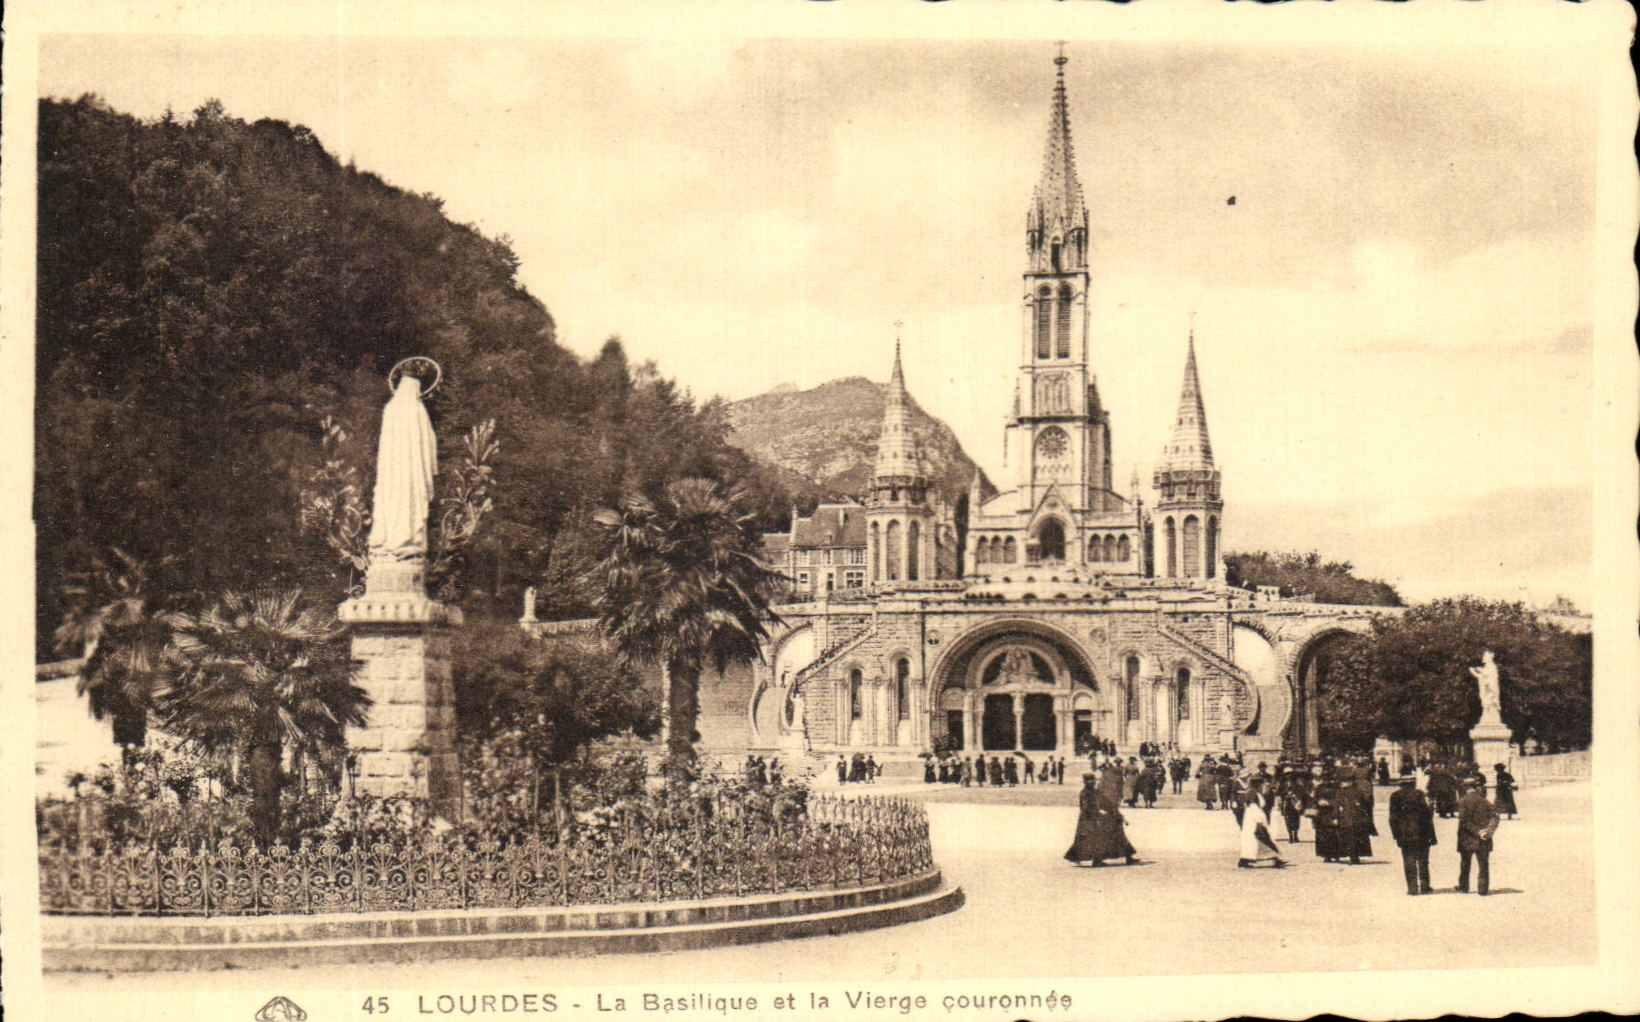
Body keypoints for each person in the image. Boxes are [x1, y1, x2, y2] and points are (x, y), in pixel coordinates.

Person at [1065, 773, 1139, 867]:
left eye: (1093, 780)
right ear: (1085, 782)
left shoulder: (1096, 792)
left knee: (1116, 830)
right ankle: (1095, 860)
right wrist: (1097, 813)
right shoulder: (1084, 793)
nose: (1092, 782)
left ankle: (1128, 857)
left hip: (1098, 818)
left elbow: (1107, 803)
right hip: (1088, 820)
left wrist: (1116, 813)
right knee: (1088, 840)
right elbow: (1085, 808)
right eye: (1089, 780)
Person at [1388, 774, 1437, 895]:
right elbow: (1426, 815)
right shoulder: (1419, 794)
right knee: (1423, 860)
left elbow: (1392, 818)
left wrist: (1396, 834)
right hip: (1421, 832)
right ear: (1413, 783)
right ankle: (1425, 886)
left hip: (1404, 833)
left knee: (1408, 859)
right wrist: (1432, 835)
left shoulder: (1395, 796)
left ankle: (1412, 888)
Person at [1455, 781, 1500, 895]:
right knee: (1483, 863)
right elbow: (1495, 816)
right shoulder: (1485, 801)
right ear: (1476, 787)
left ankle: (1464, 886)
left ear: (1465, 787)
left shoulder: (1463, 801)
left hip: (1467, 838)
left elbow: (1464, 821)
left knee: (1465, 863)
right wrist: (1489, 831)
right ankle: (1483, 889)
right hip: (1483, 839)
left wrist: (1477, 831)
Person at [1237, 782, 1288, 868]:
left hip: (1252, 825)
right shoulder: (1253, 797)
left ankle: (1274, 858)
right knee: (1263, 841)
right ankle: (1275, 858)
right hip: (1255, 825)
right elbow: (1256, 813)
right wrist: (1261, 822)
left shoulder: (1254, 793)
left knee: (1258, 843)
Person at [1337, 776, 1373, 865]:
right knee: (1354, 838)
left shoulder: (1346, 792)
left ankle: (1352, 857)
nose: (1342, 784)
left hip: (1349, 819)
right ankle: (1355, 857)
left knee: (1350, 838)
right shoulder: (1357, 791)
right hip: (1355, 820)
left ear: (1350, 782)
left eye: (1344, 782)